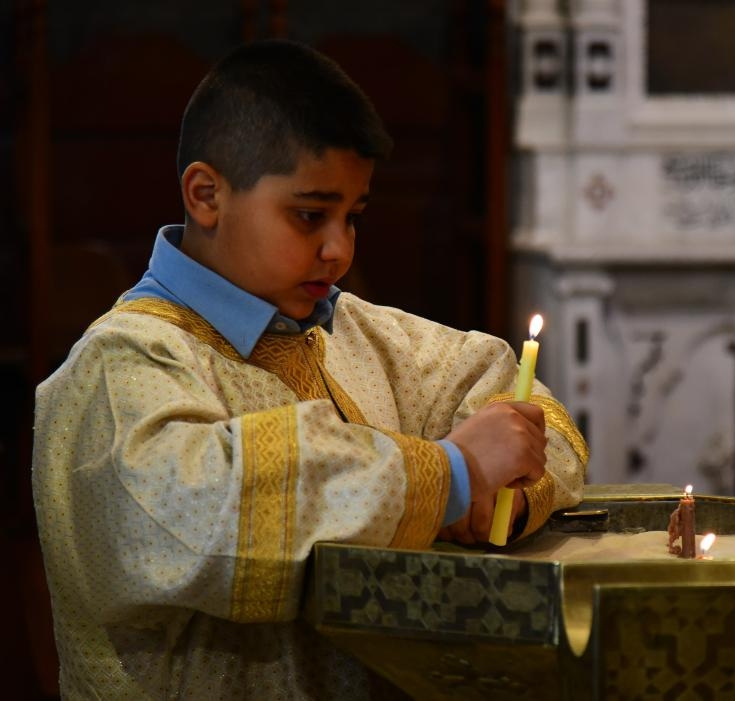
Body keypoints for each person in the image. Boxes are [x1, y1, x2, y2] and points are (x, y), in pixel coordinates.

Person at [32, 39, 587, 700]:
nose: (339, 249)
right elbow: (220, 512)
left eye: (353, 217)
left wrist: (510, 491)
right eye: (309, 215)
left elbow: (529, 409)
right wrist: (452, 474)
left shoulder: (359, 334)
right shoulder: (119, 368)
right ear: (206, 195)